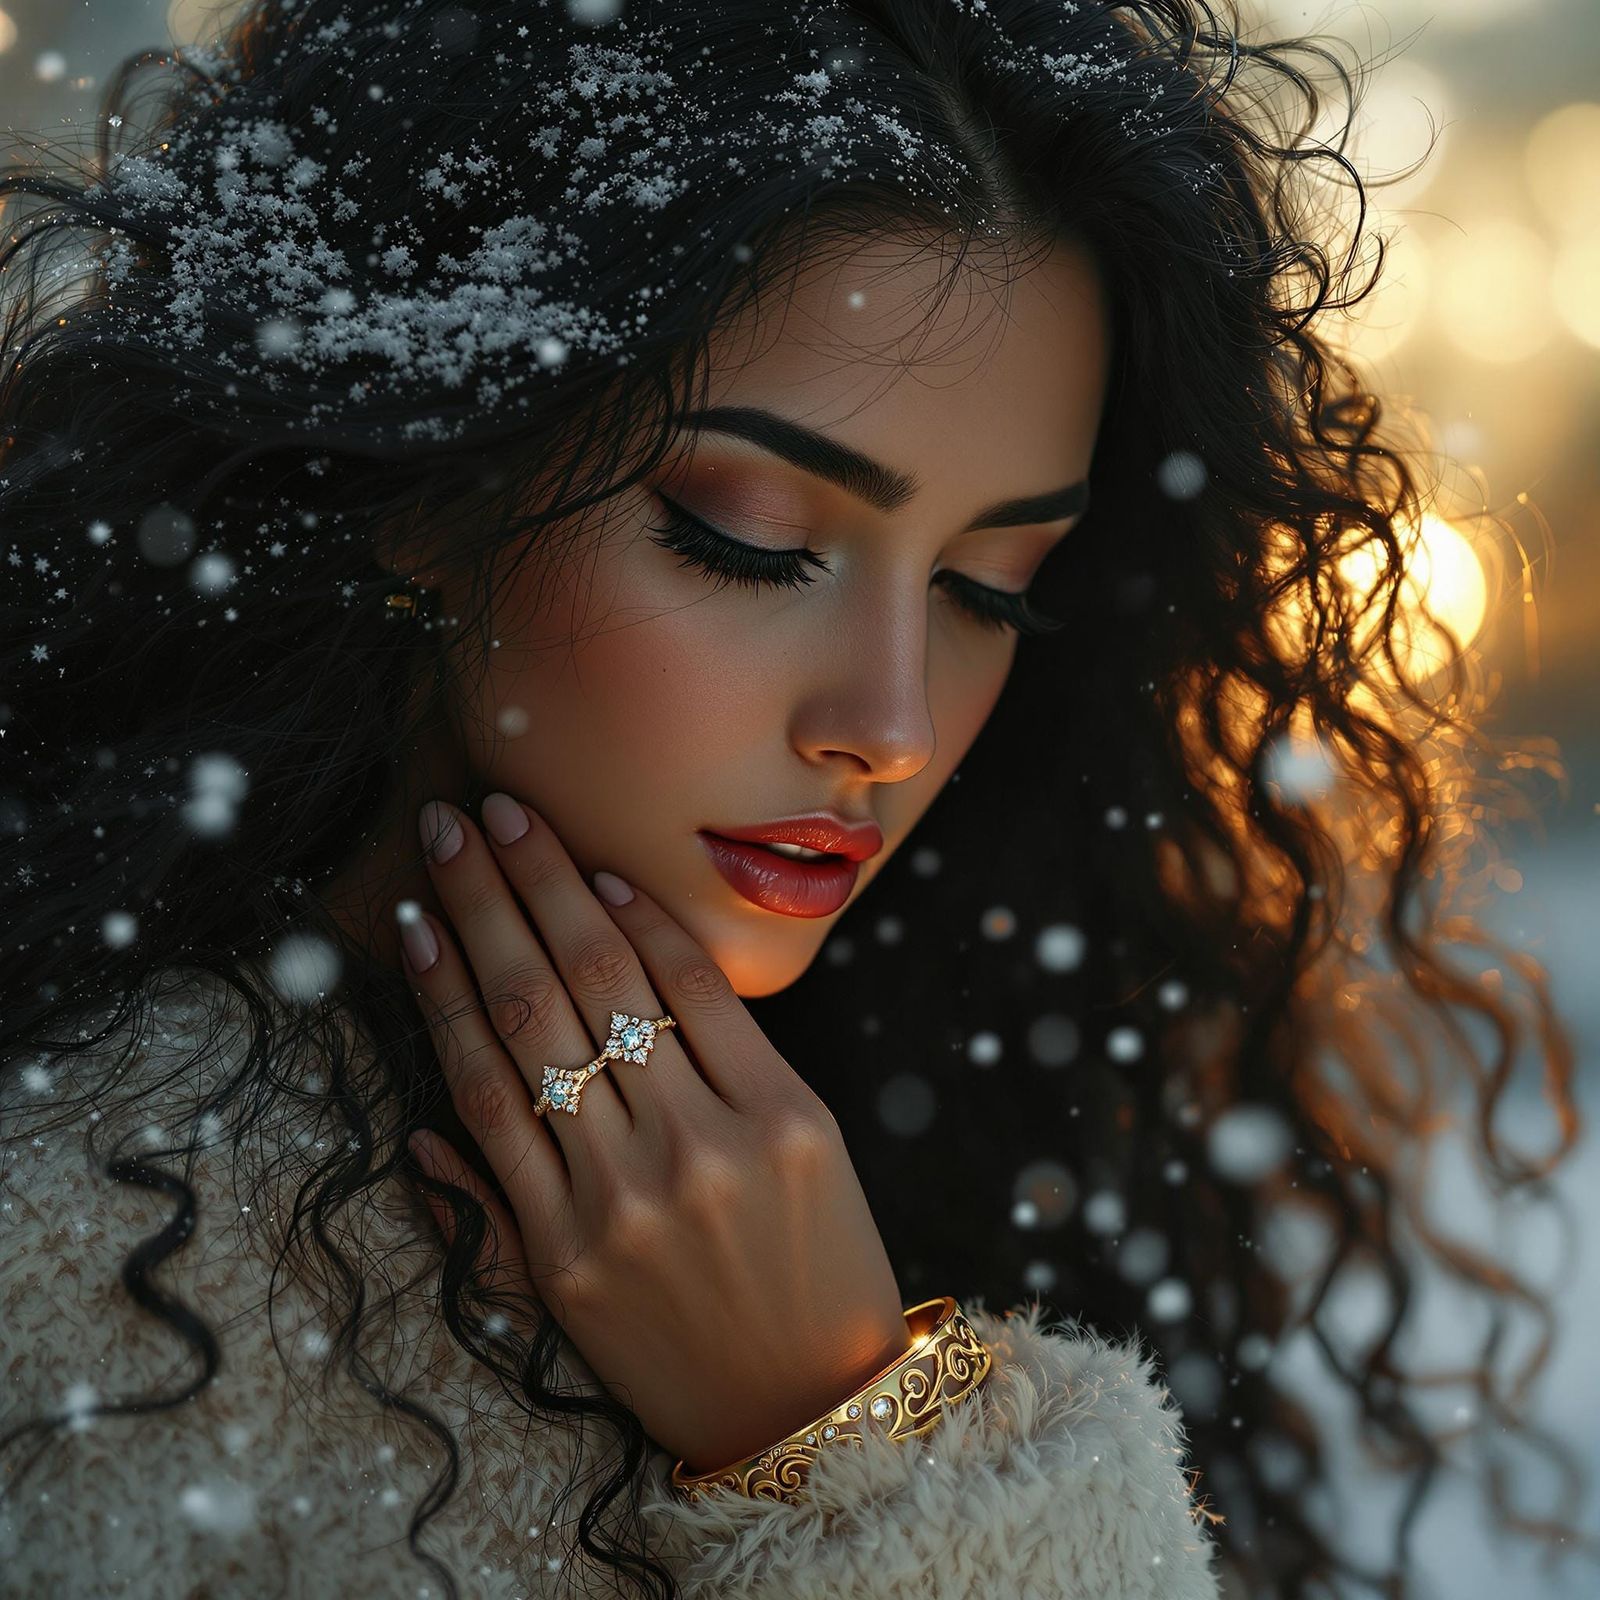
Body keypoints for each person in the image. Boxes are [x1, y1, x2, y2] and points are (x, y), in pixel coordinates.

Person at [0, 2, 1582, 1597]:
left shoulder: (949, 1130)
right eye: (750, 539)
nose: (889, 725)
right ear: (423, 474)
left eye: (992, 591)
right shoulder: (62, 1265)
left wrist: (842, 1427)